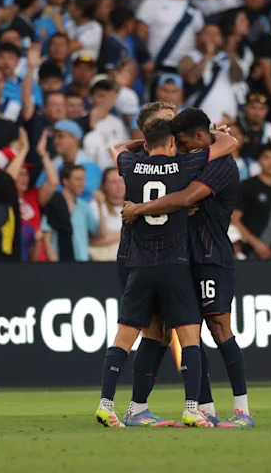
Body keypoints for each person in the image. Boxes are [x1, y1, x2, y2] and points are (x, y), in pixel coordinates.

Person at [95, 118, 210, 429]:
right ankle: (191, 408)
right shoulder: (184, 165)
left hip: (140, 265)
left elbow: (116, 147)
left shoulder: (130, 165)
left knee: (123, 338)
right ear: (172, 142)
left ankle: (106, 405)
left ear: (146, 143)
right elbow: (225, 146)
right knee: (190, 338)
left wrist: (141, 144)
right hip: (174, 263)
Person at [232, 144, 271, 260]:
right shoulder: (247, 186)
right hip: (251, 252)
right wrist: (256, 244)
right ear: (258, 161)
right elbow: (235, 220)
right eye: (267, 157)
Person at [88, 167, 125, 261]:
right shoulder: (95, 206)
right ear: (104, 185)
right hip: (103, 262)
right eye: (114, 182)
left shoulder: (134, 206)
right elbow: (96, 239)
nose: (119, 186)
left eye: (122, 181)